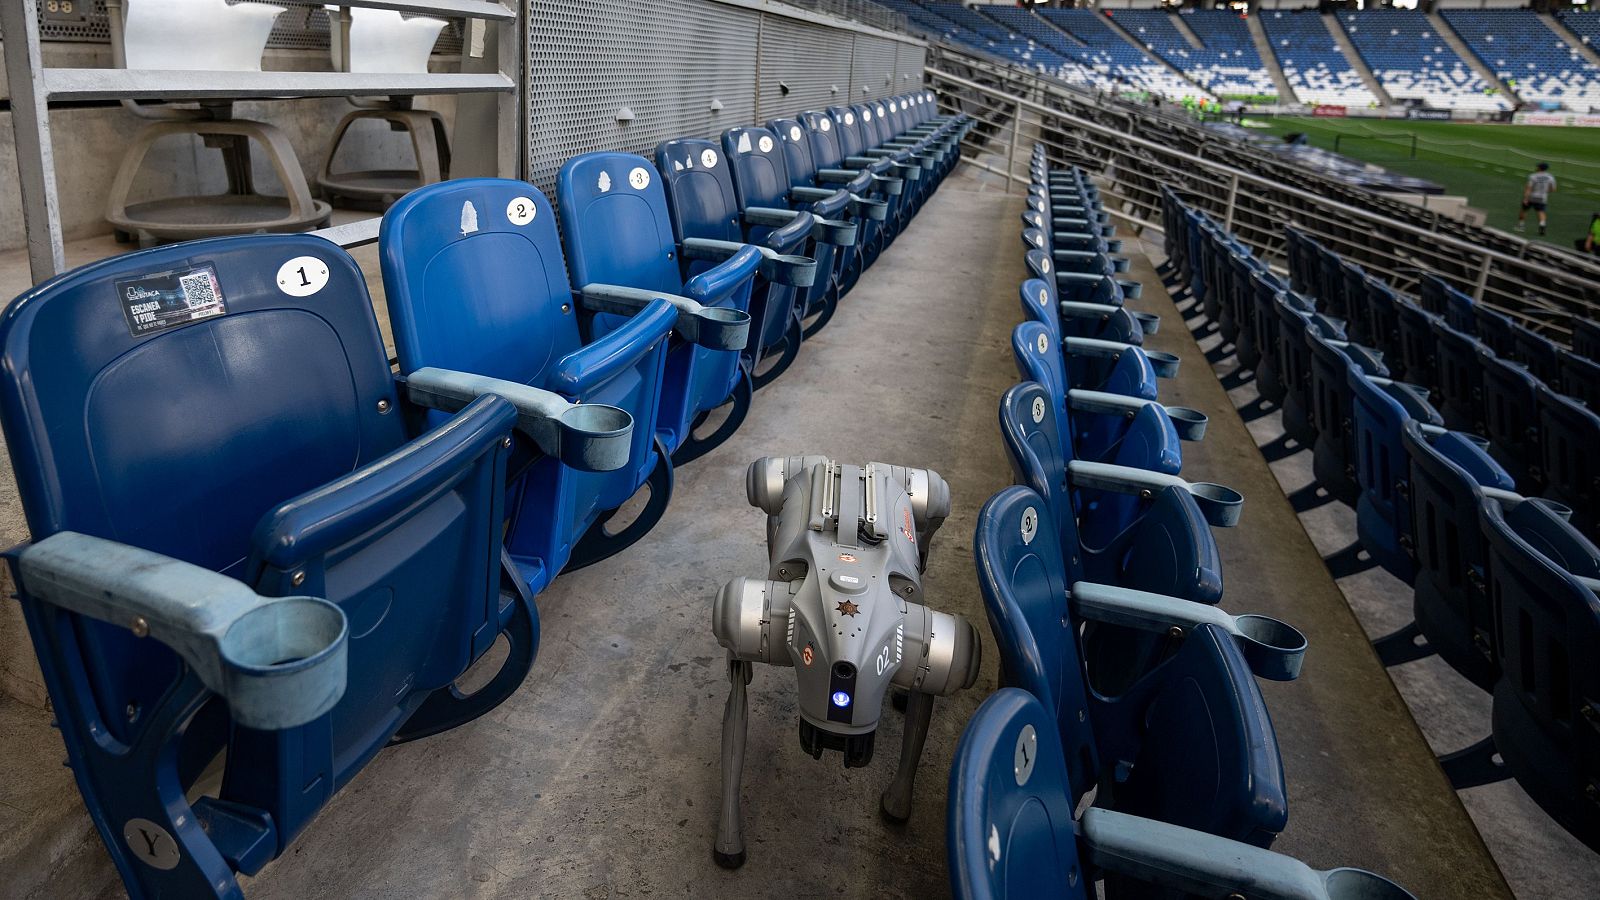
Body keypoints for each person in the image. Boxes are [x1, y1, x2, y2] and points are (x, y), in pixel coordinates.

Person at [1517, 162, 1556, 236]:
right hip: (1542, 197)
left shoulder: (1533, 176)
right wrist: (1545, 192)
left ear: (1539, 168)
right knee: (1541, 212)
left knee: (1524, 210)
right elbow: (1553, 189)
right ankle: (1542, 225)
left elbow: (1529, 188)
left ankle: (1521, 226)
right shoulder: (1550, 177)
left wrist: (1525, 198)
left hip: (1532, 196)